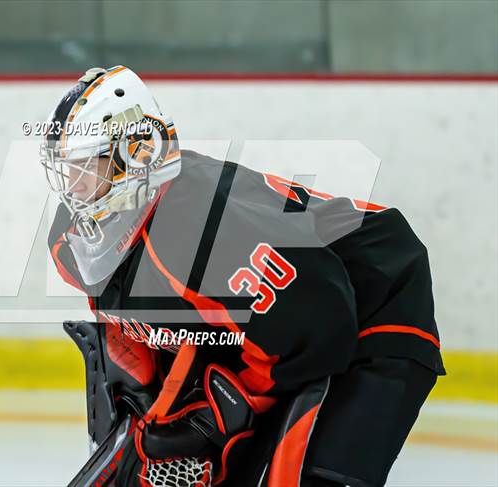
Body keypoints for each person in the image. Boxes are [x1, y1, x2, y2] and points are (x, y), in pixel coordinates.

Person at [42, 66, 445, 487]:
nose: (73, 187)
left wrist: (215, 415)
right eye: (68, 168)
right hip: (281, 320)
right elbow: (172, 319)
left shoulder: (195, 230)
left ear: (137, 155)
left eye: (86, 166)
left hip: (371, 300)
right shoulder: (73, 241)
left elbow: (318, 322)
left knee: (304, 477)